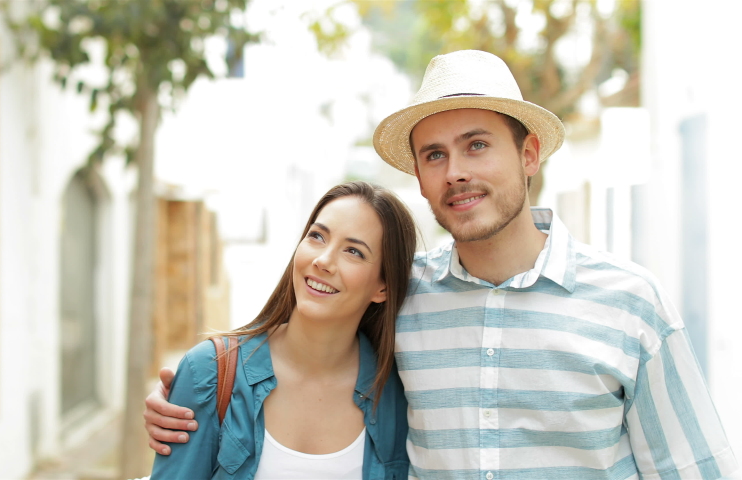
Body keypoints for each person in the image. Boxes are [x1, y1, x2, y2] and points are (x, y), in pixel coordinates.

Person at [145, 51, 739, 479]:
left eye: (477, 144)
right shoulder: (403, 298)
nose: (456, 171)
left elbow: (695, 469)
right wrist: (190, 393)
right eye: (434, 155)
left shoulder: (631, 304)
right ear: (421, 180)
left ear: (529, 154)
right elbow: (302, 354)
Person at [150, 181, 415, 479]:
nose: (323, 261)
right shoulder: (209, 371)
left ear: (383, 287)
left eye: (353, 251)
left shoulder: (402, 393)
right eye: (317, 236)